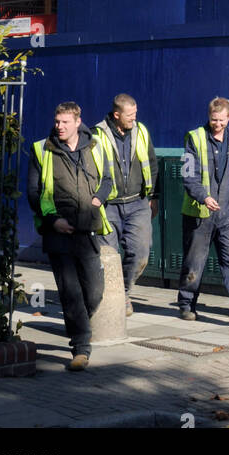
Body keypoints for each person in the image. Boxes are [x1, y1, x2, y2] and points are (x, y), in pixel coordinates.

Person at [27, 101, 113, 371]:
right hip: (58, 232)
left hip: (88, 229)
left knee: (95, 291)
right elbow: (34, 192)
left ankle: (77, 325)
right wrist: (54, 221)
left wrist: (98, 200)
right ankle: (80, 347)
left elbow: (108, 179)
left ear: (78, 122)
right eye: (57, 121)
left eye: (65, 122)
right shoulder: (42, 149)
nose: (59, 126)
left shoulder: (96, 145)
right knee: (71, 292)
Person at [177, 97, 229, 328]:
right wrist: (203, 196)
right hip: (200, 212)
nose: (217, 124)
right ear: (209, 116)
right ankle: (186, 304)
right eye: (214, 120)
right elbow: (188, 175)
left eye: (222, 120)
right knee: (194, 262)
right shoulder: (194, 138)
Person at [93, 94, 159, 316]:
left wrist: (154, 196)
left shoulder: (141, 131)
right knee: (108, 256)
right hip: (108, 204)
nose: (134, 118)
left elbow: (152, 162)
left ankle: (124, 291)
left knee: (141, 253)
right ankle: (111, 300)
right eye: (130, 115)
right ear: (116, 115)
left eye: (135, 114)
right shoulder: (96, 134)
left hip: (137, 202)